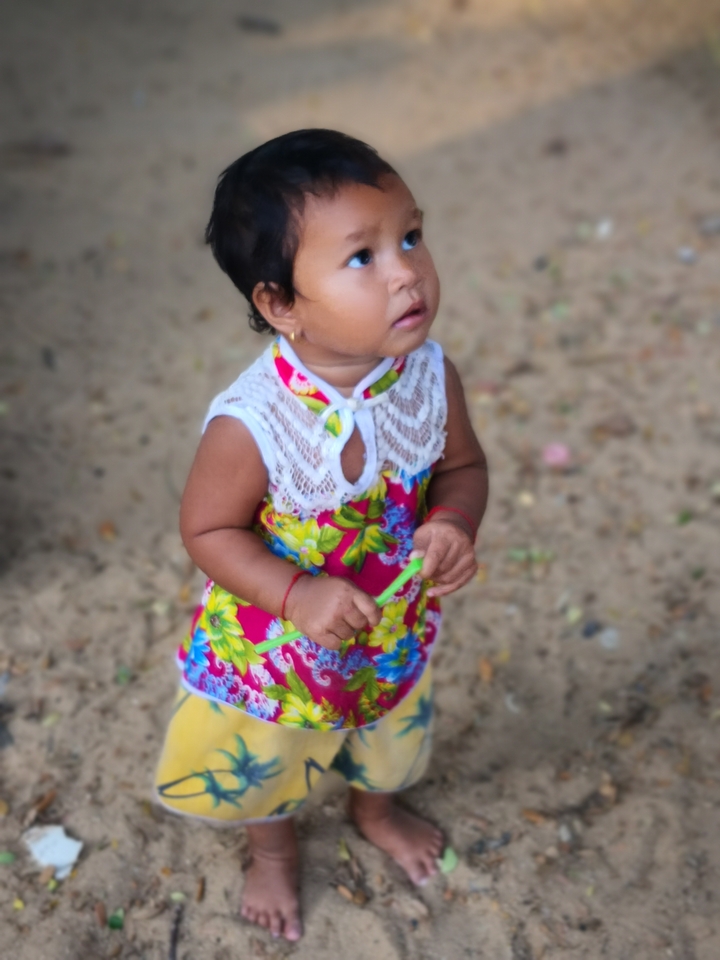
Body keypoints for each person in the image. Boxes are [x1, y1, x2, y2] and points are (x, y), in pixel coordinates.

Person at [154, 129, 488, 941]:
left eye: (409, 236)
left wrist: (451, 521)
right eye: (362, 257)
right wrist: (295, 592)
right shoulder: (254, 424)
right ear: (280, 304)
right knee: (267, 761)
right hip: (279, 647)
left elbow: (463, 468)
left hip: (387, 627)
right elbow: (207, 529)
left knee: (387, 728)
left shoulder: (429, 375)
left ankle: (376, 807)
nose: (407, 268)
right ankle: (272, 853)